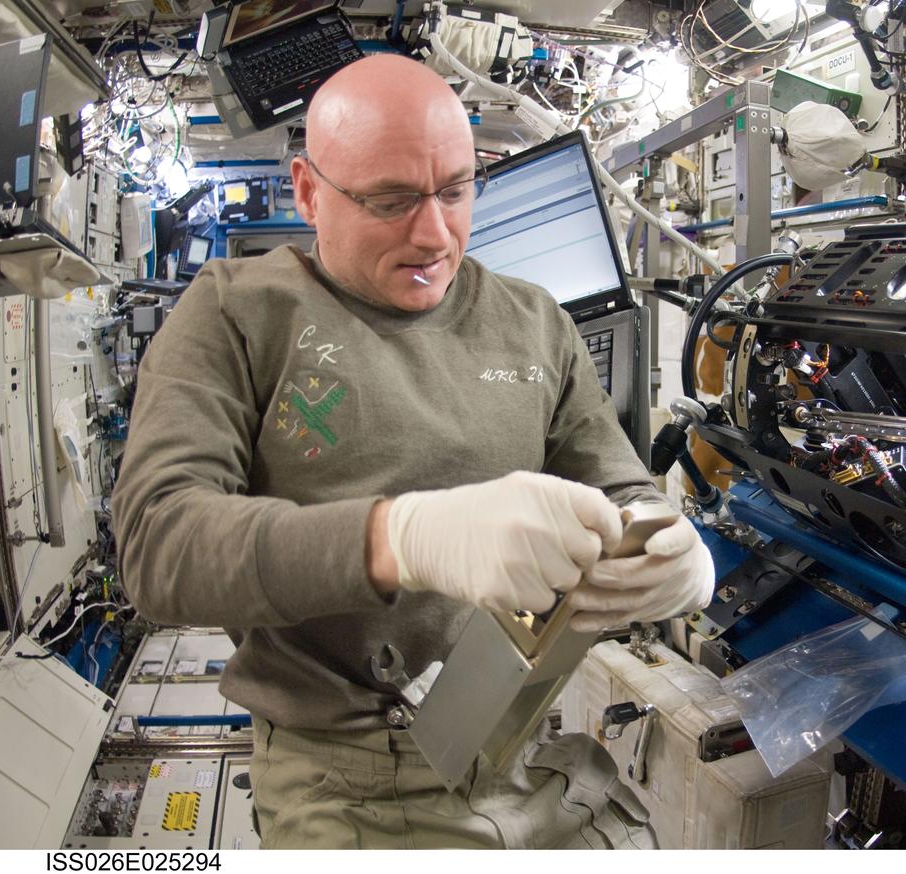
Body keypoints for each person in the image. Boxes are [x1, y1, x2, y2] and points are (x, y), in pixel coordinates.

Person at [111, 54, 715, 849]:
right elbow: (161, 546)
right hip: (342, 772)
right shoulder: (236, 314)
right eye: (390, 201)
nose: (434, 234)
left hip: (517, 740)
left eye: (457, 191)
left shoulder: (532, 321)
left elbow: (619, 484)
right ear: (307, 191)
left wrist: (666, 546)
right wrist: (402, 539)